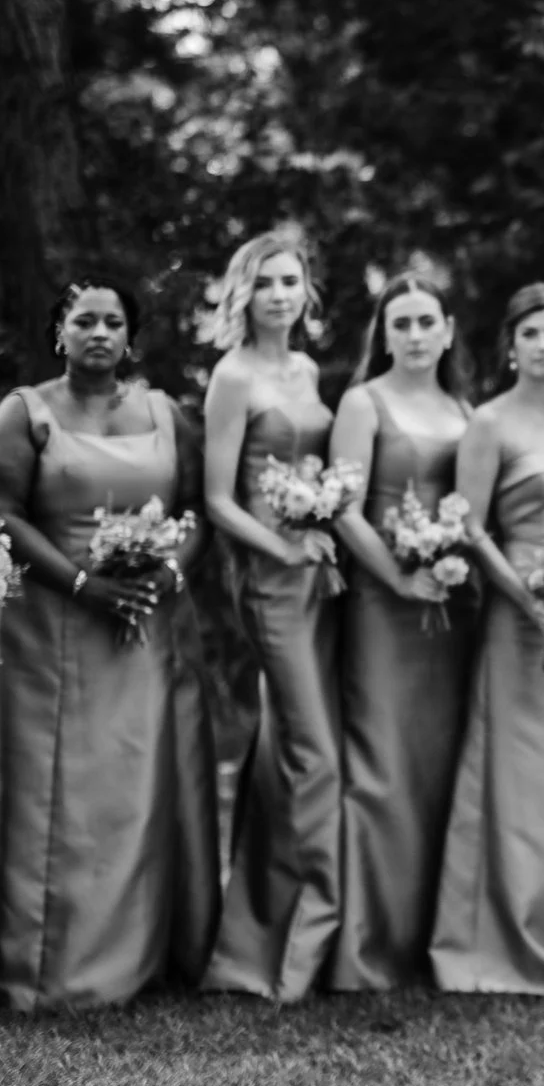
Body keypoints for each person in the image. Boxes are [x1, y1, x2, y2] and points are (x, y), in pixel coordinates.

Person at [0, 281, 220, 1010]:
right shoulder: (24, 412)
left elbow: (196, 508)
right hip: (53, 623)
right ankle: (54, 961)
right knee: (69, 791)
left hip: (149, 621)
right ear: (59, 331)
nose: (100, 332)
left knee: (143, 780)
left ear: (130, 336)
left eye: (114, 322)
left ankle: (157, 949)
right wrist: (83, 584)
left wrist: (169, 571)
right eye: (84, 320)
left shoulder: (165, 412)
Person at [431, 284, 544, 995]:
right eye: (526, 332)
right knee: (515, 773)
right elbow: (470, 528)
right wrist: (528, 599)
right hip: (516, 608)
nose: (540, 343)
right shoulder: (489, 423)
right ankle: (499, 938)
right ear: (510, 348)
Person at [201, 230, 348, 1002]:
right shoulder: (232, 376)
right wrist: (284, 549)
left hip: (317, 581)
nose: (280, 294)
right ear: (244, 295)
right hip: (267, 578)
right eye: (265, 283)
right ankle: (304, 950)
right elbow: (219, 497)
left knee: (282, 750)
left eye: (291, 280)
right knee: (314, 751)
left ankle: (255, 934)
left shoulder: (308, 369)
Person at [326, 271, 473, 990]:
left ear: (447, 330)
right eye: (401, 322)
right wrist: (397, 575)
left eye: (426, 321)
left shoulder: (463, 407)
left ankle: (429, 938)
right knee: (382, 763)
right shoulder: (364, 401)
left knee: (437, 768)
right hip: (385, 603)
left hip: (451, 610)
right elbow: (343, 505)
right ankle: (368, 946)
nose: (415, 334)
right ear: (383, 333)